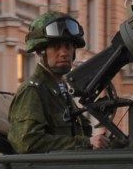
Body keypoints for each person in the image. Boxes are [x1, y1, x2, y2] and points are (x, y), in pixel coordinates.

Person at [7, 11, 113, 154]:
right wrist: (86, 143)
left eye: (68, 46)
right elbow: (28, 142)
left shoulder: (61, 90)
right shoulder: (33, 90)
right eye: (56, 47)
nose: (64, 53)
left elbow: (84, 132)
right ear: (41, 52)